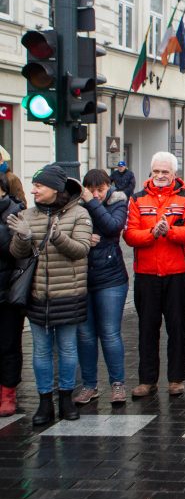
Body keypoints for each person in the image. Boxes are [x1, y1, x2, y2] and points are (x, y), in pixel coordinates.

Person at [7, 163, 92, 425]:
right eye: (33, 186)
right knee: (41, 351)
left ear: (55, 189)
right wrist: (21, 238)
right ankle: (45, 402)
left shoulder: (79, 214)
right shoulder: (29, 215)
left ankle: (66, 398)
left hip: (68, 293)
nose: (33, 190)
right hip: (37, 295)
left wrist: (56, 236)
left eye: (39, 186)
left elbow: (81, 250)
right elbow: (17, 254)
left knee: (67, 349)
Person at [123, 152, 185, 398]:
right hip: (146, 273)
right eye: (156, 171)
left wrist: (169, 232)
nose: (160, 176)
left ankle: (176, 379)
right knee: (147, 328)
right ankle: (147, 380)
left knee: (177, 328)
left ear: (174, 174)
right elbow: (130, 235)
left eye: (165, 172)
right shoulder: (136, 199)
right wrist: (153, 234)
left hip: (177, 273)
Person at [73, 169, 129, 406]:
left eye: (101, 190)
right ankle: (89, 385)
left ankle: (117, 384)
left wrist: (89, 203)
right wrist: (85, 238)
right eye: (91, 190)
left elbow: (112, 227)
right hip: (82, 277)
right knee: (85, 335)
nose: (96, 195)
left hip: (111, 278)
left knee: (110, 333)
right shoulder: (77, 204)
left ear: (109, 187)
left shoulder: (118, 201)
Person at [0, 172, 26, 416]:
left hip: (8, 290)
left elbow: (13, 250)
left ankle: (8, 392)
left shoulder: (14, 212)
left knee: (8, 344)